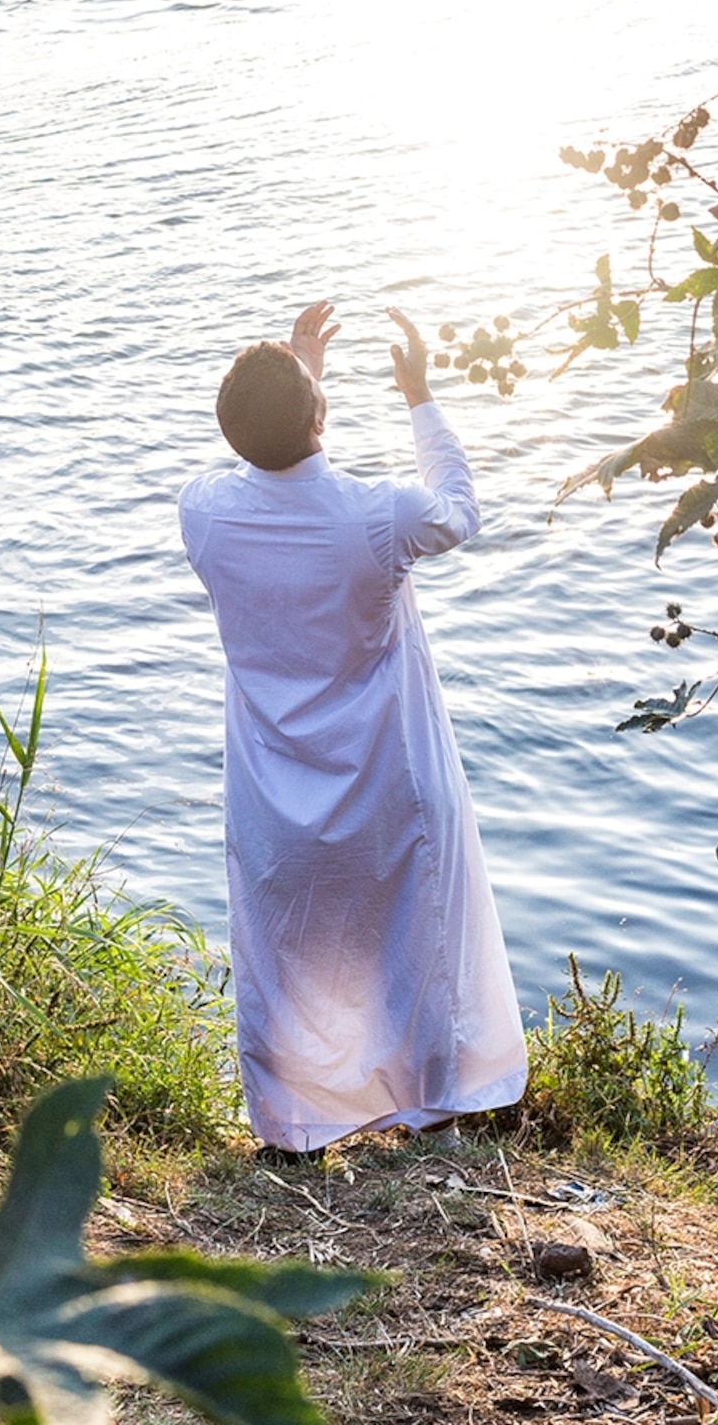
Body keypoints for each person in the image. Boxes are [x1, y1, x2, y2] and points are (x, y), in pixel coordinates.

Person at [177, 300, 528, 1155]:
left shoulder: (204, 513)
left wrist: (303, 381)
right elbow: (459, 508)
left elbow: (272, 453)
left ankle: (289, 1125)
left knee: (282, 951)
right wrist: (419, 397)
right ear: (320, 418)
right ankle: (433, 1104)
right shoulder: (379, 516)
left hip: (271, 787)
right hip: (384, 775)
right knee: (414, 936)